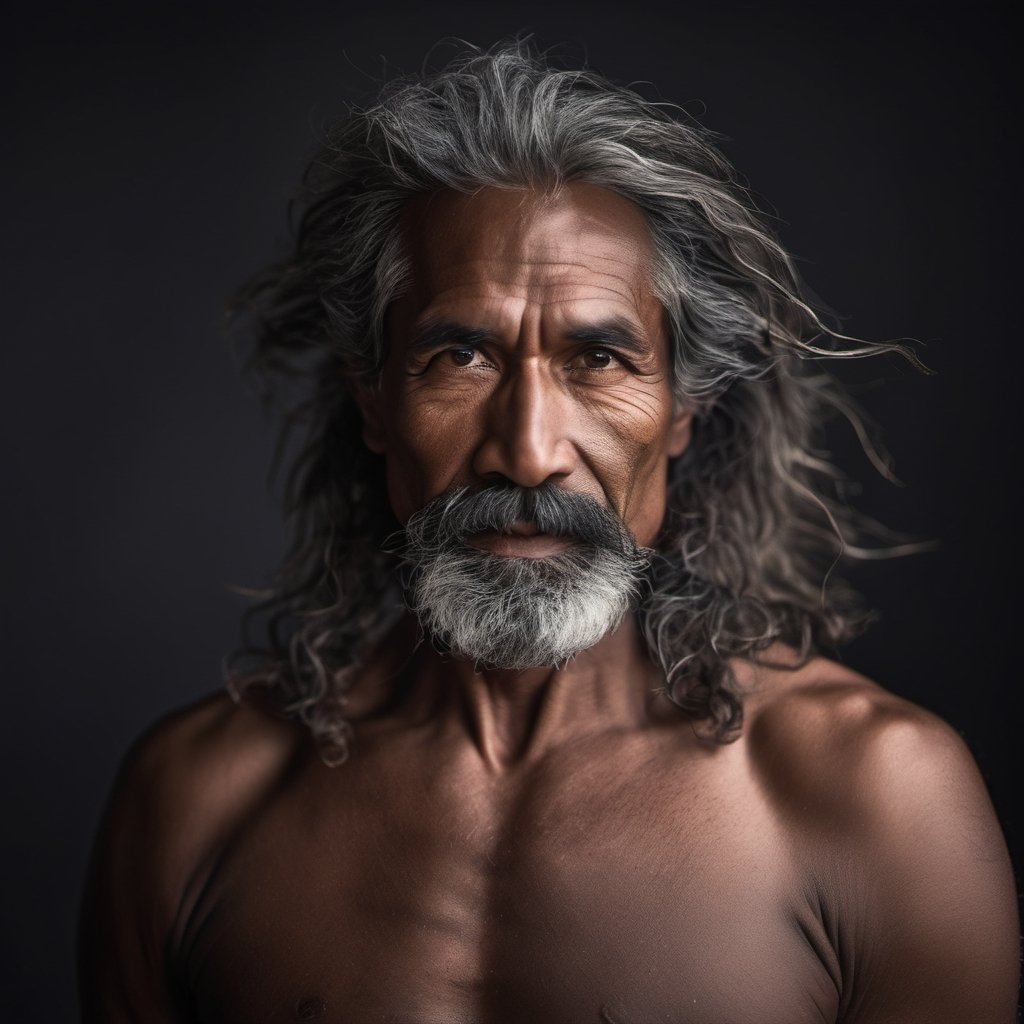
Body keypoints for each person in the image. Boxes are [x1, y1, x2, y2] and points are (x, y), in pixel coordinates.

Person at [79, 43, 1019, 1023]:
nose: (527, 454)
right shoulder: (197, 803)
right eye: (459, 354)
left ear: (683, 409)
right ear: (372, 402)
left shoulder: (875, 802)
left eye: (600, 358)